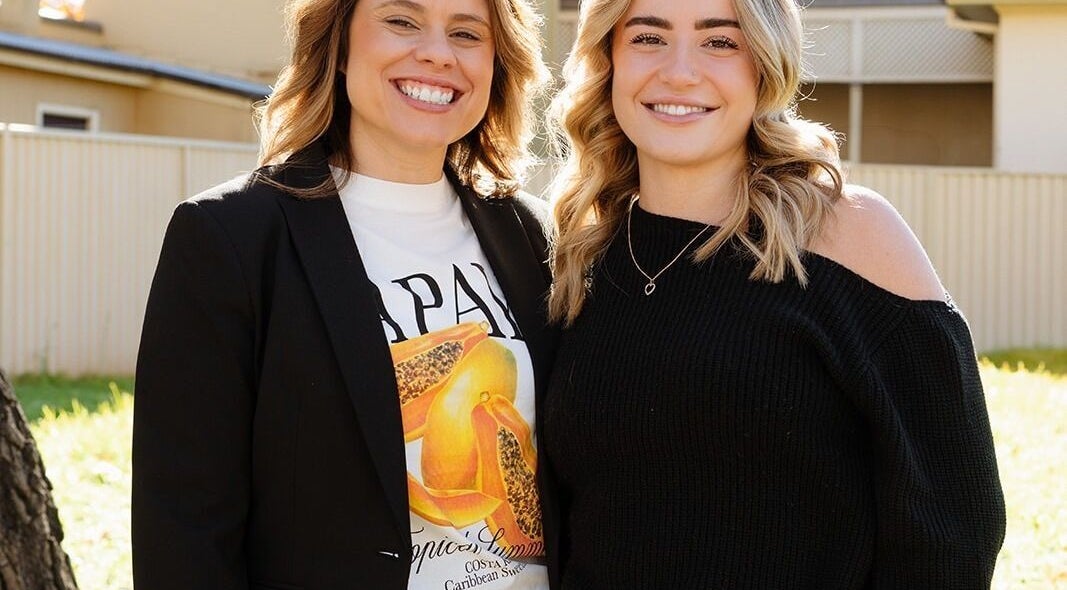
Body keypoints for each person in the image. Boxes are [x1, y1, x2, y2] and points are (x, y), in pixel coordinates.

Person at [542, 0, 1006, 587]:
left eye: (720, 42)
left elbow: (954, 523)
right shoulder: (580, 257)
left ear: (765, 64)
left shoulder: (848, 233)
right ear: (608, 60)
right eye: (648, 39)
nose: (679, 72)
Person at [132, 0, 555, 588]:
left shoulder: (532, 234)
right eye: (401, 22)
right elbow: (183, 525)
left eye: (466, 33)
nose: (438, 53)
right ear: (339, 45)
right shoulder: (231, 237)